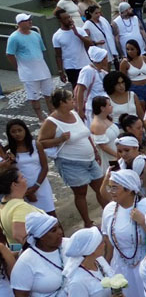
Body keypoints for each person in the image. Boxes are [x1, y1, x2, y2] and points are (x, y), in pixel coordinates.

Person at [38, 89, 108, 229]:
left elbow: (85, 133)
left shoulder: (75, 114)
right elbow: (41, 142)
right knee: (80, 193)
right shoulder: (51, 122)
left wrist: (94, 150)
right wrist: (59, 139)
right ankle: (87, 222)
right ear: (62, 103)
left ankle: (109, 214)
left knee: (101, 188)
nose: (74, 102)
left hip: (89, 160)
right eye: (71, 99)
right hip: (70, 163)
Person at [100, 169, 146, 297]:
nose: (110, 192)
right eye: (110, 187)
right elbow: (108, 241)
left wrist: (144, 223)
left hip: (144, 265)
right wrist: (106, 269)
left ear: (129, 189)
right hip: (121, 266)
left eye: (115, 188)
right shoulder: (109, 209)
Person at [6, 14, 54, 121]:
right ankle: (41, 118)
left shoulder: (36, 35)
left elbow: (41, 50)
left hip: (43, 70)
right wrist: (18, 67)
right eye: (26, 20)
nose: (30, 22)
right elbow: (9, 54)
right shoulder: (14, 38)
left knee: (49, 94)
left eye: (30, 20)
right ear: (19, 23)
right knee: (34, 97)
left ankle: (53, 115)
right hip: (29, 74)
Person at [0, 167, 42, 247]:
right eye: (22, 177)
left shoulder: (3, 203)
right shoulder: (19, 207)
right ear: (14, 184)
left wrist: (16, 252)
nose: (25, 179)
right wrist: (40, 250)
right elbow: (18, 236)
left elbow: (11, 241)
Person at [52, 8, 91, 86]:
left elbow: (90, 43)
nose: (69, 20)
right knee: (77, 87)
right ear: (60, 20)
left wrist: (77, 34)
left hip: (85, 64)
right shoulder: (57, 36)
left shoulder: (80, 30)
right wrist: (61, 71)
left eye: (69, 17)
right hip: (71, 67)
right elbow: (58, 55)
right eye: (65, 18)